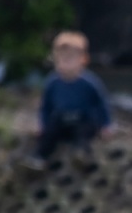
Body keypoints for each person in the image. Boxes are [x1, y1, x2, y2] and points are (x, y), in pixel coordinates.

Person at [25, 31, 114, 170]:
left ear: (82, 60)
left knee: (84, 132)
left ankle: (81, 154)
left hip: (83, 119)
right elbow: (46, 107)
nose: (65, 63)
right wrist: (42, 124)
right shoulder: (53, 83)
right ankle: (39, 157)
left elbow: (101, 104)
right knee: (50, 131)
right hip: (62, 119)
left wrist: (106, 125)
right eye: (61, 59)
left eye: (70, 59)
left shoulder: (89, 83)